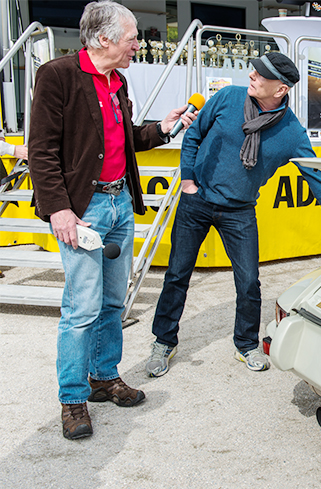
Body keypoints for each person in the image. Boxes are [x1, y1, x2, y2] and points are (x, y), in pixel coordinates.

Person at [27, 1, 195, 440]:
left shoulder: (116, 80)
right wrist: (59, 209)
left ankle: (104, 376)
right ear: (104, 39)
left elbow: (125, 138)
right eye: (132, 36)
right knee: (81, 307)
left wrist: (162, 128)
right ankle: (72, 398)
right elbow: (41, 150)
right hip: (83, 210)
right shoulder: (58, 75)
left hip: (120, 203)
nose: (138, 43)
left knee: (111, 303)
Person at [146, 52, 321, 378]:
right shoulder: (227, 97)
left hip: (239, 212)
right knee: (178, 274)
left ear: (280, 89)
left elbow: (318, 180)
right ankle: (164, 341)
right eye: (255, 70)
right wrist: (189, 181)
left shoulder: (292, 133)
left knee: (249, 282)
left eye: (262, 74)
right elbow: (193, 135)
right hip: (198, 202)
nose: (252, 75)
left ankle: (246, 344)